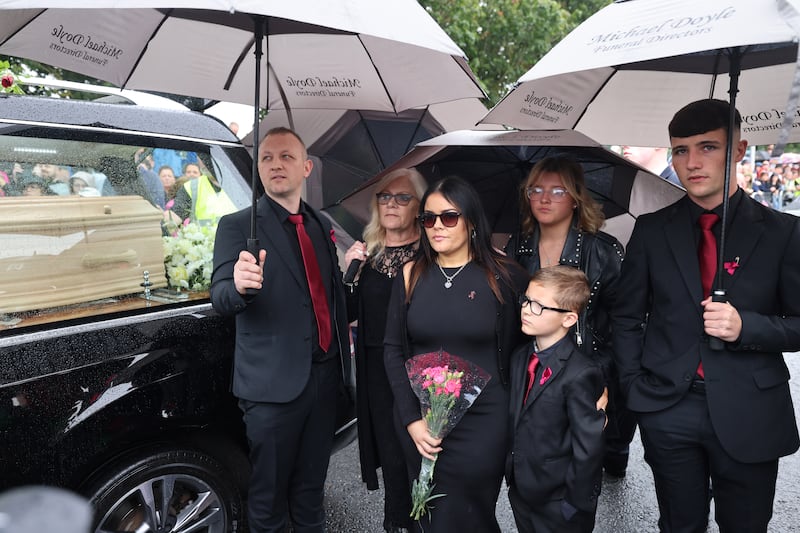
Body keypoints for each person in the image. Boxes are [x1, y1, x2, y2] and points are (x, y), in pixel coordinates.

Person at [612, 98, 800, 532]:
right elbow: (625, 316)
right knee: (678, 525)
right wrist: (634, 387)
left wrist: (745, 326)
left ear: (738, 149)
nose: (692, 162)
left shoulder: (782, 234)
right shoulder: (653, 229)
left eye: (708, 147)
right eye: (680, 150)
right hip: (667, 408)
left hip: (749, 409)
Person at [210, 126, 353, 533]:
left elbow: (328, 297)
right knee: (268, 498)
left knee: (311, 491)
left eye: (287, 156)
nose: (276, 164)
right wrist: (238, 287)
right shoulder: (238, 225)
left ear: (306, 167)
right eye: (267, 157)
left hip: (324, 381)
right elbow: (220, 297)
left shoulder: (320, 225)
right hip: (271, 391)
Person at [383, 176, 529, 532]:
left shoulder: (504, 276)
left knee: (470, 513)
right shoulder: (409, 275)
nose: (436, 226)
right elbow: (392, 349)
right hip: (422, 422)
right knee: (428, 513)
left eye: (448, 217)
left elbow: (529, 344)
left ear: (472, 222)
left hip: (486, 422)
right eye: (428, 219)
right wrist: (410, 420)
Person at [506, 156, 634, 479]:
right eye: (535, 189)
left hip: (588, 366)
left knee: (587, 461)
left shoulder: (604, 251)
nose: (544, 198)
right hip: (536, 369)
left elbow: (626, 319)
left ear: (576, 199)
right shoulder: (516, 247)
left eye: (557, 191)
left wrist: (605, 372)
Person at [343, 167, 427, 533]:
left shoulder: (431, 253)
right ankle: (396, 523)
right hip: (377, 370)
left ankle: (426, 521)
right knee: (392, 455)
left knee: (421, 455)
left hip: (421, 370)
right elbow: (347, 316)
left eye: (402, 197)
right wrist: (349, 274)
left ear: (419, 206)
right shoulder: (367, 255)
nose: (391, 203)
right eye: (384, 197)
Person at [507, 265, 605, 533]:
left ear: (568, 319)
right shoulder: (519, 358)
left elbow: (588, 448)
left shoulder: (580, 373)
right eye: (526, 300)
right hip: (522, 489)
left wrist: (574, 503)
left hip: (559, 499)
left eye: (538, 306)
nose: (527, 309)